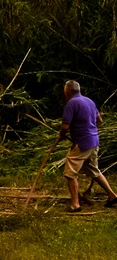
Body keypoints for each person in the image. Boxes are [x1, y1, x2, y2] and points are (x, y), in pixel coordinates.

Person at [57, 79, 117, 212]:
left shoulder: (71, 103)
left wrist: (61, 135)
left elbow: (65, 126)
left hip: (82, 143)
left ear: (67, 91)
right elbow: (99, 120)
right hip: (94, 141)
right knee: (94, 170)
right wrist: (90, 130)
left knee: (70, 173)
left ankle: (75, 204)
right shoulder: (89, 101)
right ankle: (112, 196)